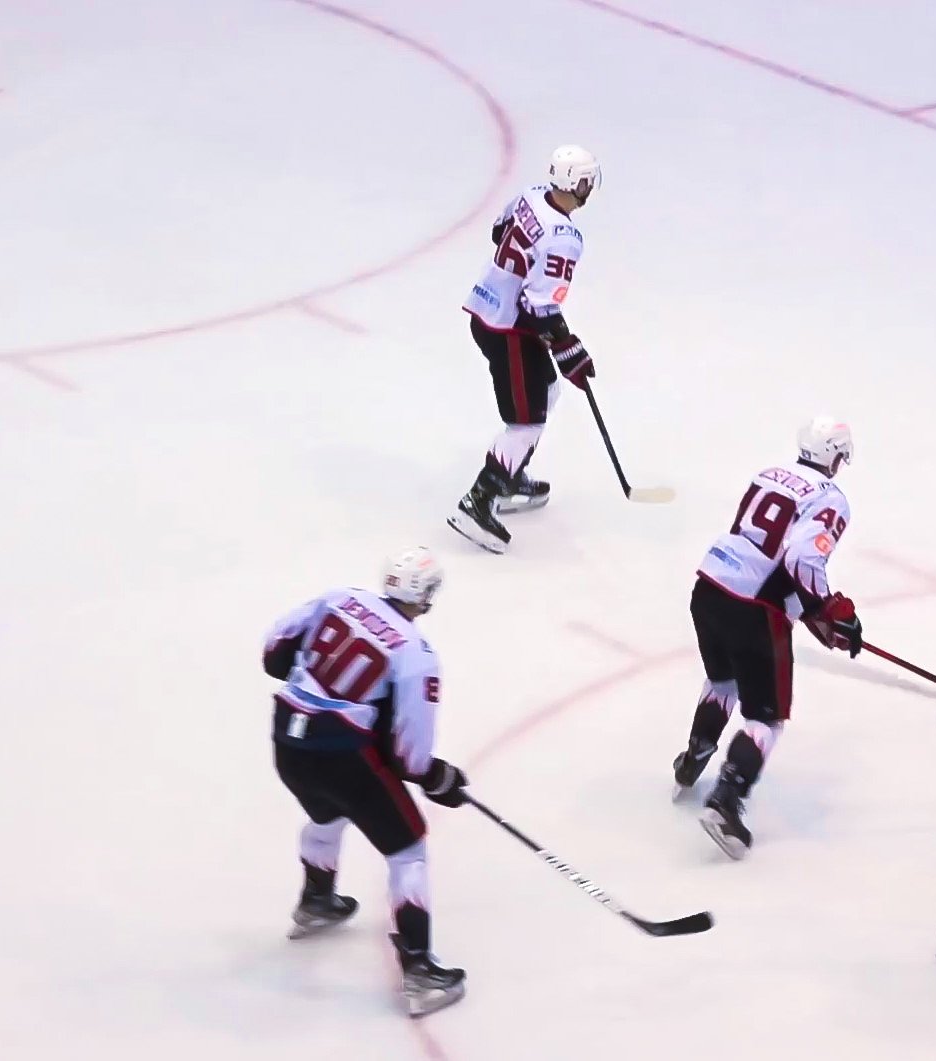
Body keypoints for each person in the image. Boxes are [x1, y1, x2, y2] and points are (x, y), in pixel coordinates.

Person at [263, 546, 471, 1018]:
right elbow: (410, 753)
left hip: (289, 739)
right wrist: (438, 777)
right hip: (344, 756)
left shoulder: (339, 598)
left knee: (326, 815)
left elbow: (274, 652)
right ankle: (420, 972)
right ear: (428, 596)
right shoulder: (416, 654)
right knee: (407, 850)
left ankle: (317, 901)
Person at [671, 416, 861, 858]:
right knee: (766, 718)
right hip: (752, 609)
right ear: (835, 456)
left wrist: (811, 609)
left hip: (710, 586)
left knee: (722, 680)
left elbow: (766, 549)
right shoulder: (830, 498)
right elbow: (801, 559)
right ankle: (726, 800)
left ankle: (694, 755)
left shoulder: (770, 475)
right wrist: (829, 609)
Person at [449, 144, 603, 551]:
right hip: (509, 330)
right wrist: (569, 349)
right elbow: (539, 306)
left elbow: (498, 232)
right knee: (526, 423)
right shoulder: (566, 239)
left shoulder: (530, 196)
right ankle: (479, 500)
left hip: (488, 310)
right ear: (578, 184)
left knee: (547, 389)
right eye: (587, 181)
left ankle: (510, 474)